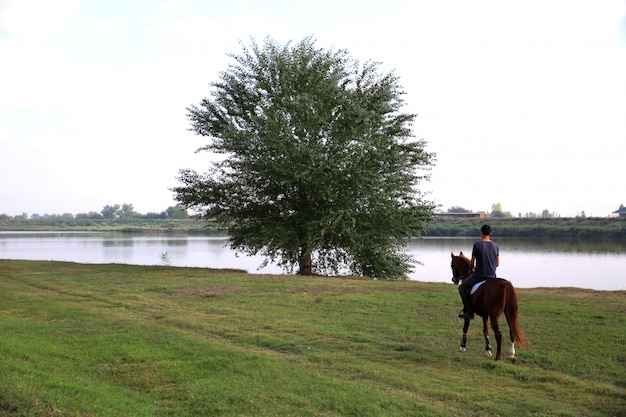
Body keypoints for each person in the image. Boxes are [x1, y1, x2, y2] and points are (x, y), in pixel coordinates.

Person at [458, 224, 499, 319]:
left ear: (481, 233)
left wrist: (470, 270)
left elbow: (472, 261)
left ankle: (469, 311)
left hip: (479, 275)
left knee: (462, 288)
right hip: (492, 276)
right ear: (490, 233)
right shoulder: (495, 245)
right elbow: (497, 263)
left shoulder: (477, 245)